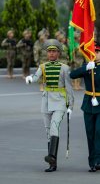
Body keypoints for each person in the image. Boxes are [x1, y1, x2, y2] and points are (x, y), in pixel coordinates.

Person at [25, 39, 74, 172]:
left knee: (54, 127)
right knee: (48, 131)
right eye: (49, 51)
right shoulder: (43, 66)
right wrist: (30, 79)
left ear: (58, 53)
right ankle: (52, 164)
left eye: (54, 51)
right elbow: (36, 77)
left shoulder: (64, 68)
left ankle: (51, 156)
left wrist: (71, 106)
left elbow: (69, 88)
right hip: (46, 101)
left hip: (59, 101)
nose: (51, 54)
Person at [70, 42, 100, 172]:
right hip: (88, 105)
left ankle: (99, 161)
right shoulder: (87, 67)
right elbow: (72, 75)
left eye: (98, 52)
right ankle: (92, 162)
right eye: (93, 52)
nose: (95, 54)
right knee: (90, 134)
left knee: (99, 132)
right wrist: (85, 68)